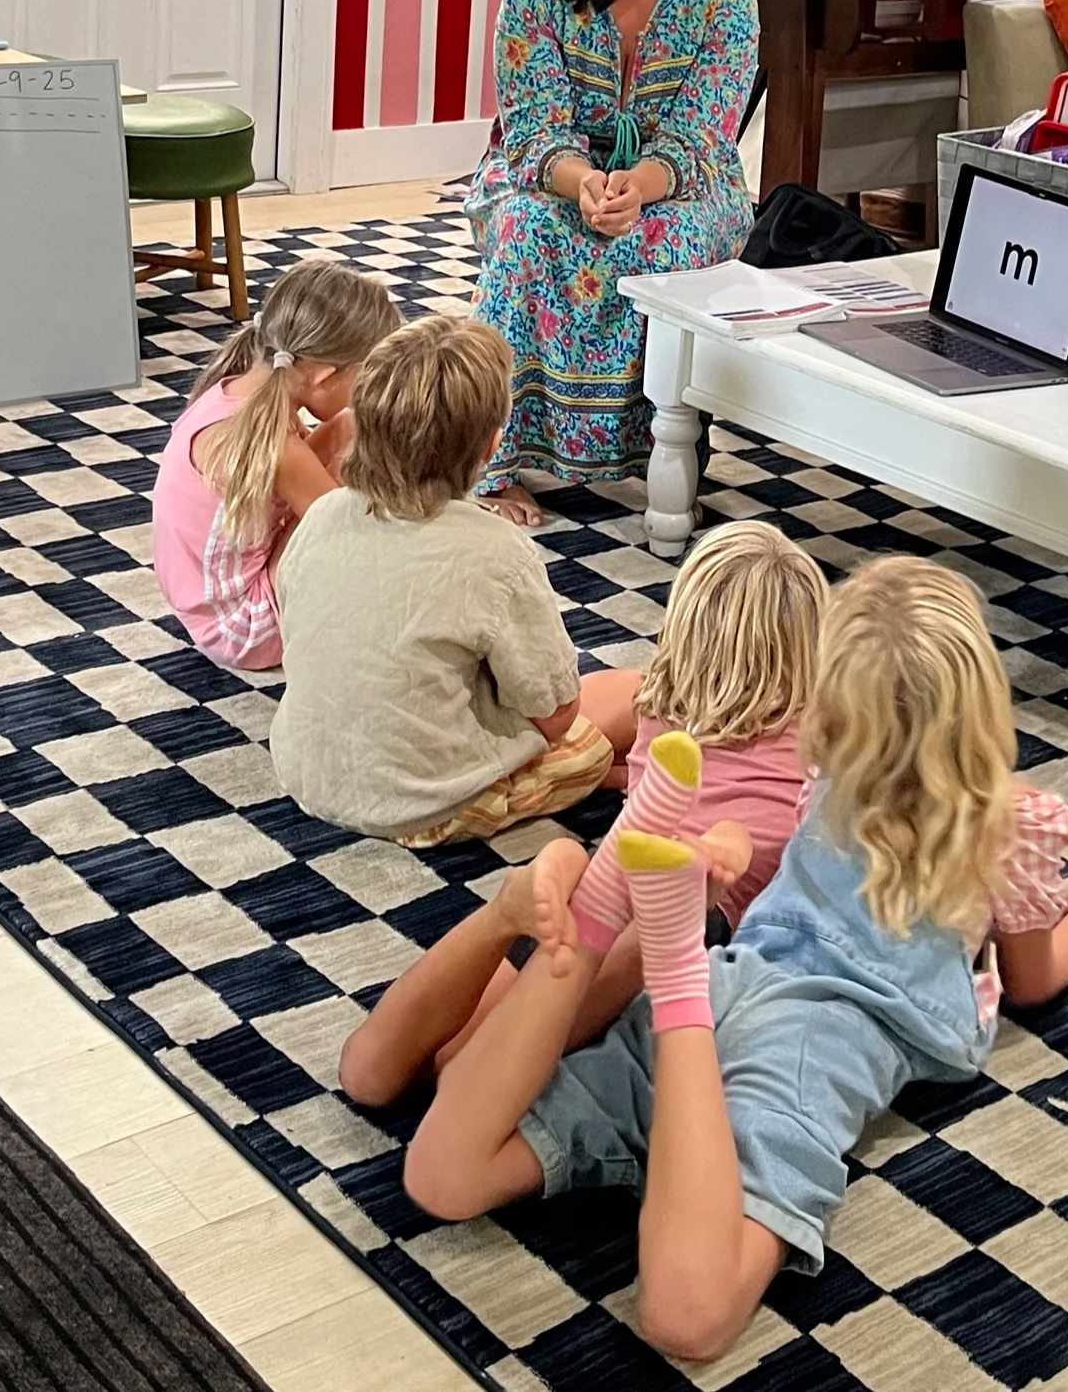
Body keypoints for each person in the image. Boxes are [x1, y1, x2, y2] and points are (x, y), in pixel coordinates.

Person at [398, 556, 1068, 1362]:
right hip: (813, 1052)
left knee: (442, 1178)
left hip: (737, 983)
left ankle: (639, 932)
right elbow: (1033, 981)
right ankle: (672, 960)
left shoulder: (824, 773)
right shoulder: (1017, 823)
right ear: (985, 705)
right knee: (689, 1315)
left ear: (827, 709)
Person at [337, 519, 828, 1107]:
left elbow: (599, 721)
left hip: (609, 884)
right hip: (683, 926)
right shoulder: (831, 748)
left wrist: (608, 772)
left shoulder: (663, 698)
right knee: (460, 1079)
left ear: (686, 623)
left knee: (368, 1072)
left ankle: (503, 914)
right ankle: (649, 914)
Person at [466, 0, 759, 528]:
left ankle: (665, 454)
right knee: (530, 229)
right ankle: (492, 461)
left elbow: (703, 136)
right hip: (552, 174)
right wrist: (585, 184)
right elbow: (533, 129)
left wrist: (640, 187)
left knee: (668, 240)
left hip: (686, 185)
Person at [269, 315, 636, 845]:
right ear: (490, 445)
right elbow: (556, 713)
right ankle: (597, 779)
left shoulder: (322, 514)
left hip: (308, 774)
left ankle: (596, 777)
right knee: (637, 693)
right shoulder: (498, 550)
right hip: (431, 804)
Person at [151, 260, 400, 671]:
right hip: (244, 628)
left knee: (349, 428)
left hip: (203, 608)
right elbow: (346, 532)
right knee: (356, 491)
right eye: (364, 377)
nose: (365, 391)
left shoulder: (234, 393)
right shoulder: (278, 448)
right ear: (323, 375)